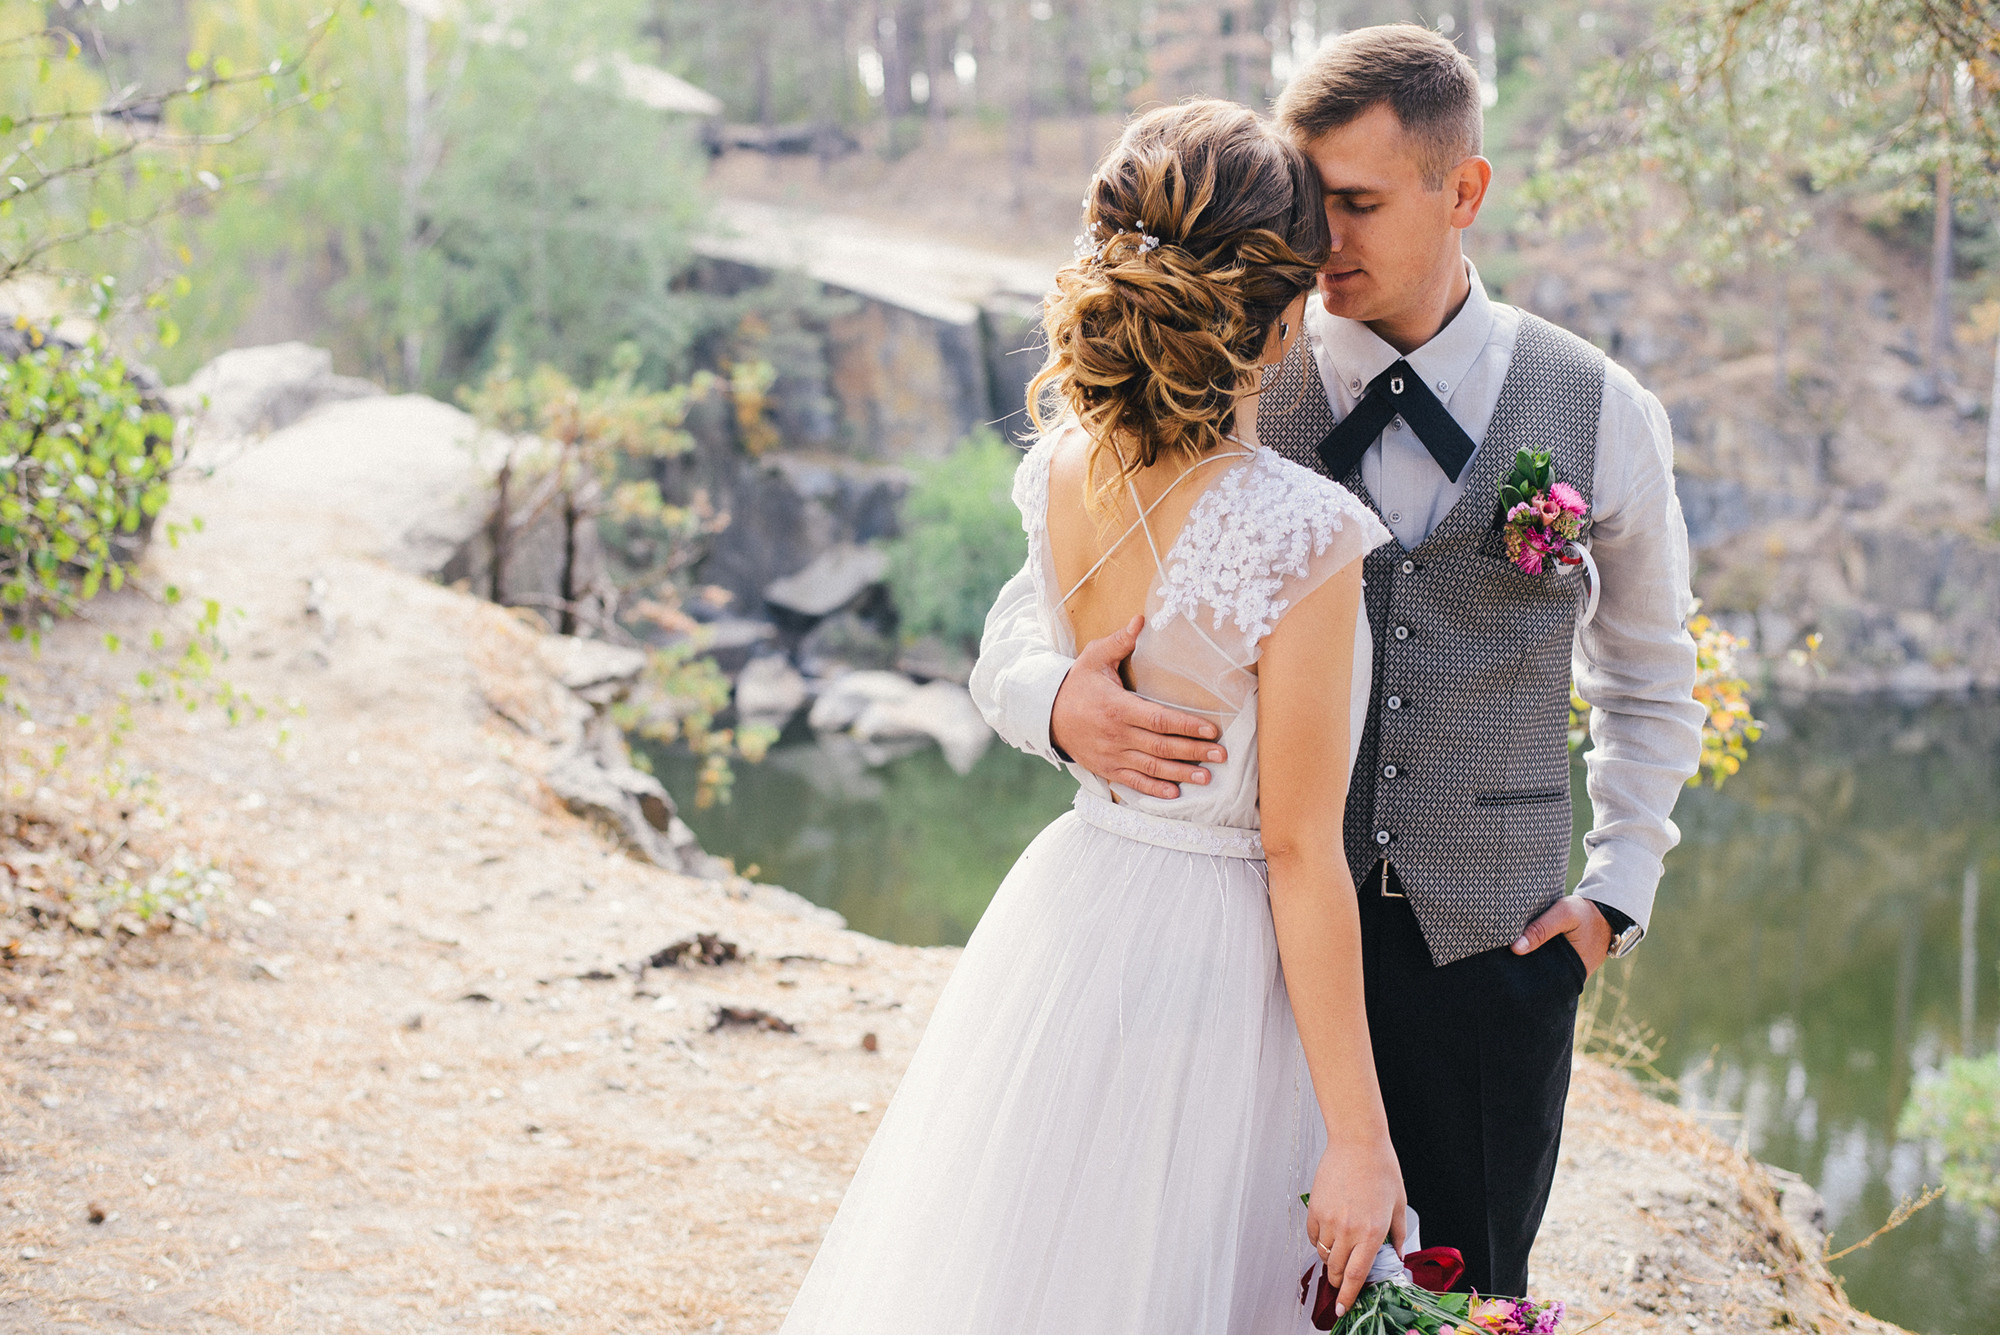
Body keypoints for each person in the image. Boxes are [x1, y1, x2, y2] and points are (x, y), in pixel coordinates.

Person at [972, 24, 1707, 1297]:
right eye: (1306, 208)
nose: (1318, 248)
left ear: (1460, 191)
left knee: (1459, 1300)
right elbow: (1020, 614)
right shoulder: (1220, 377)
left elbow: (1647, 677)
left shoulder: (1598, 410)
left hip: (1493, 953)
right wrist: (1053, 703)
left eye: (1357, 206)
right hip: (1241, 953)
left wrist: (1614, 894)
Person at [781, 100, 1403, 1334]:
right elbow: (1295, 850)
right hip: (1220, 965)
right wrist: (1360, 1141)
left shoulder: (1060, 464)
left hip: (1074, 908)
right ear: (1280, 316)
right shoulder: (1305, 535)